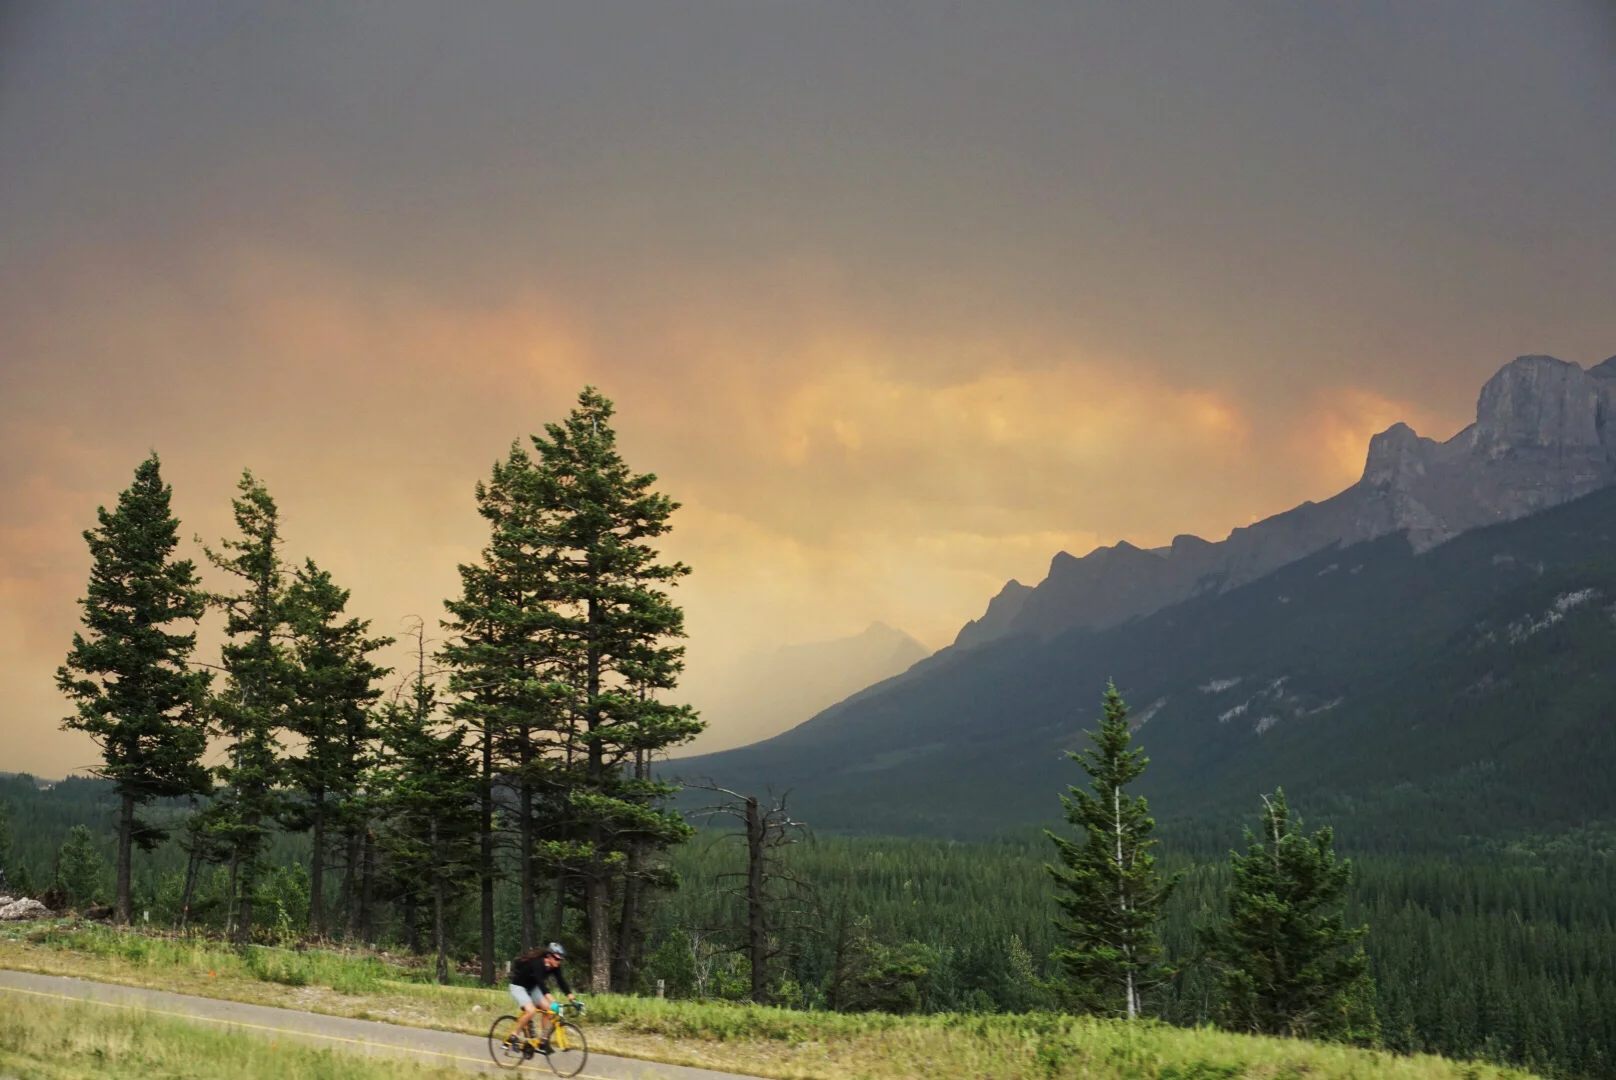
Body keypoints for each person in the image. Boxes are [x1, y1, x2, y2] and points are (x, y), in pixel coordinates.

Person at [508, 942, 578, 1053]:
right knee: (531, 1011)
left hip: (532, 988)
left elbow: (561, 982)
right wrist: (553, 1001)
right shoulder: (537, 963)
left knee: (548, 1009)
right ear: (549, 956)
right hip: (519, 987)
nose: (559, 962)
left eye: (560, 960)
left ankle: (543, 1040)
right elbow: (542, 984)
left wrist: (572, 999)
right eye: (557, 959)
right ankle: (514, 1036)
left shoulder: (555, 966)